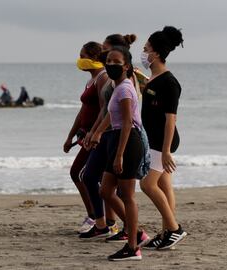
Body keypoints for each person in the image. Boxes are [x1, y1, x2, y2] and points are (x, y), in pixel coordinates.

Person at [80, 34, 142, 239]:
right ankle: (125, 230)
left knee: (126, 195)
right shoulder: (116, 86)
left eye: (116, 61)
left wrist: (119, 155)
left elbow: (127, 122)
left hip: (125, 140)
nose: (111, 64)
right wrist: (95, 132)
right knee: (105, 191)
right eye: (108, 61)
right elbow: (109, 113)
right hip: (113, 137)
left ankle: (134, 239)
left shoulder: (125, 87)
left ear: (126, 65)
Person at [139, 26, 187, 250]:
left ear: (156, 53)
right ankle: (167, 233)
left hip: (162, 141)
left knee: (147, 184)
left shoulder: (169, 82)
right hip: (154, 139)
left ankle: (175, 229)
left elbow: (171, 119)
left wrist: (166, 151)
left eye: (146, 48)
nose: (143, 51)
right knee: (164, 186)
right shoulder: (153, 78)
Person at [63, 41, 108, 234]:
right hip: (85, 134)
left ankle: (96, 217)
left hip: (96, 136)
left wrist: (94, 132)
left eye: (83, 56)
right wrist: (70, 135)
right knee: (83, 174)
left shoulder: (102, 78)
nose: (80, 60)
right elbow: (83, 111)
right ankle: (96, 215)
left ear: (95, 58)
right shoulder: (90, 80)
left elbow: (104, 109)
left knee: (81, 173)